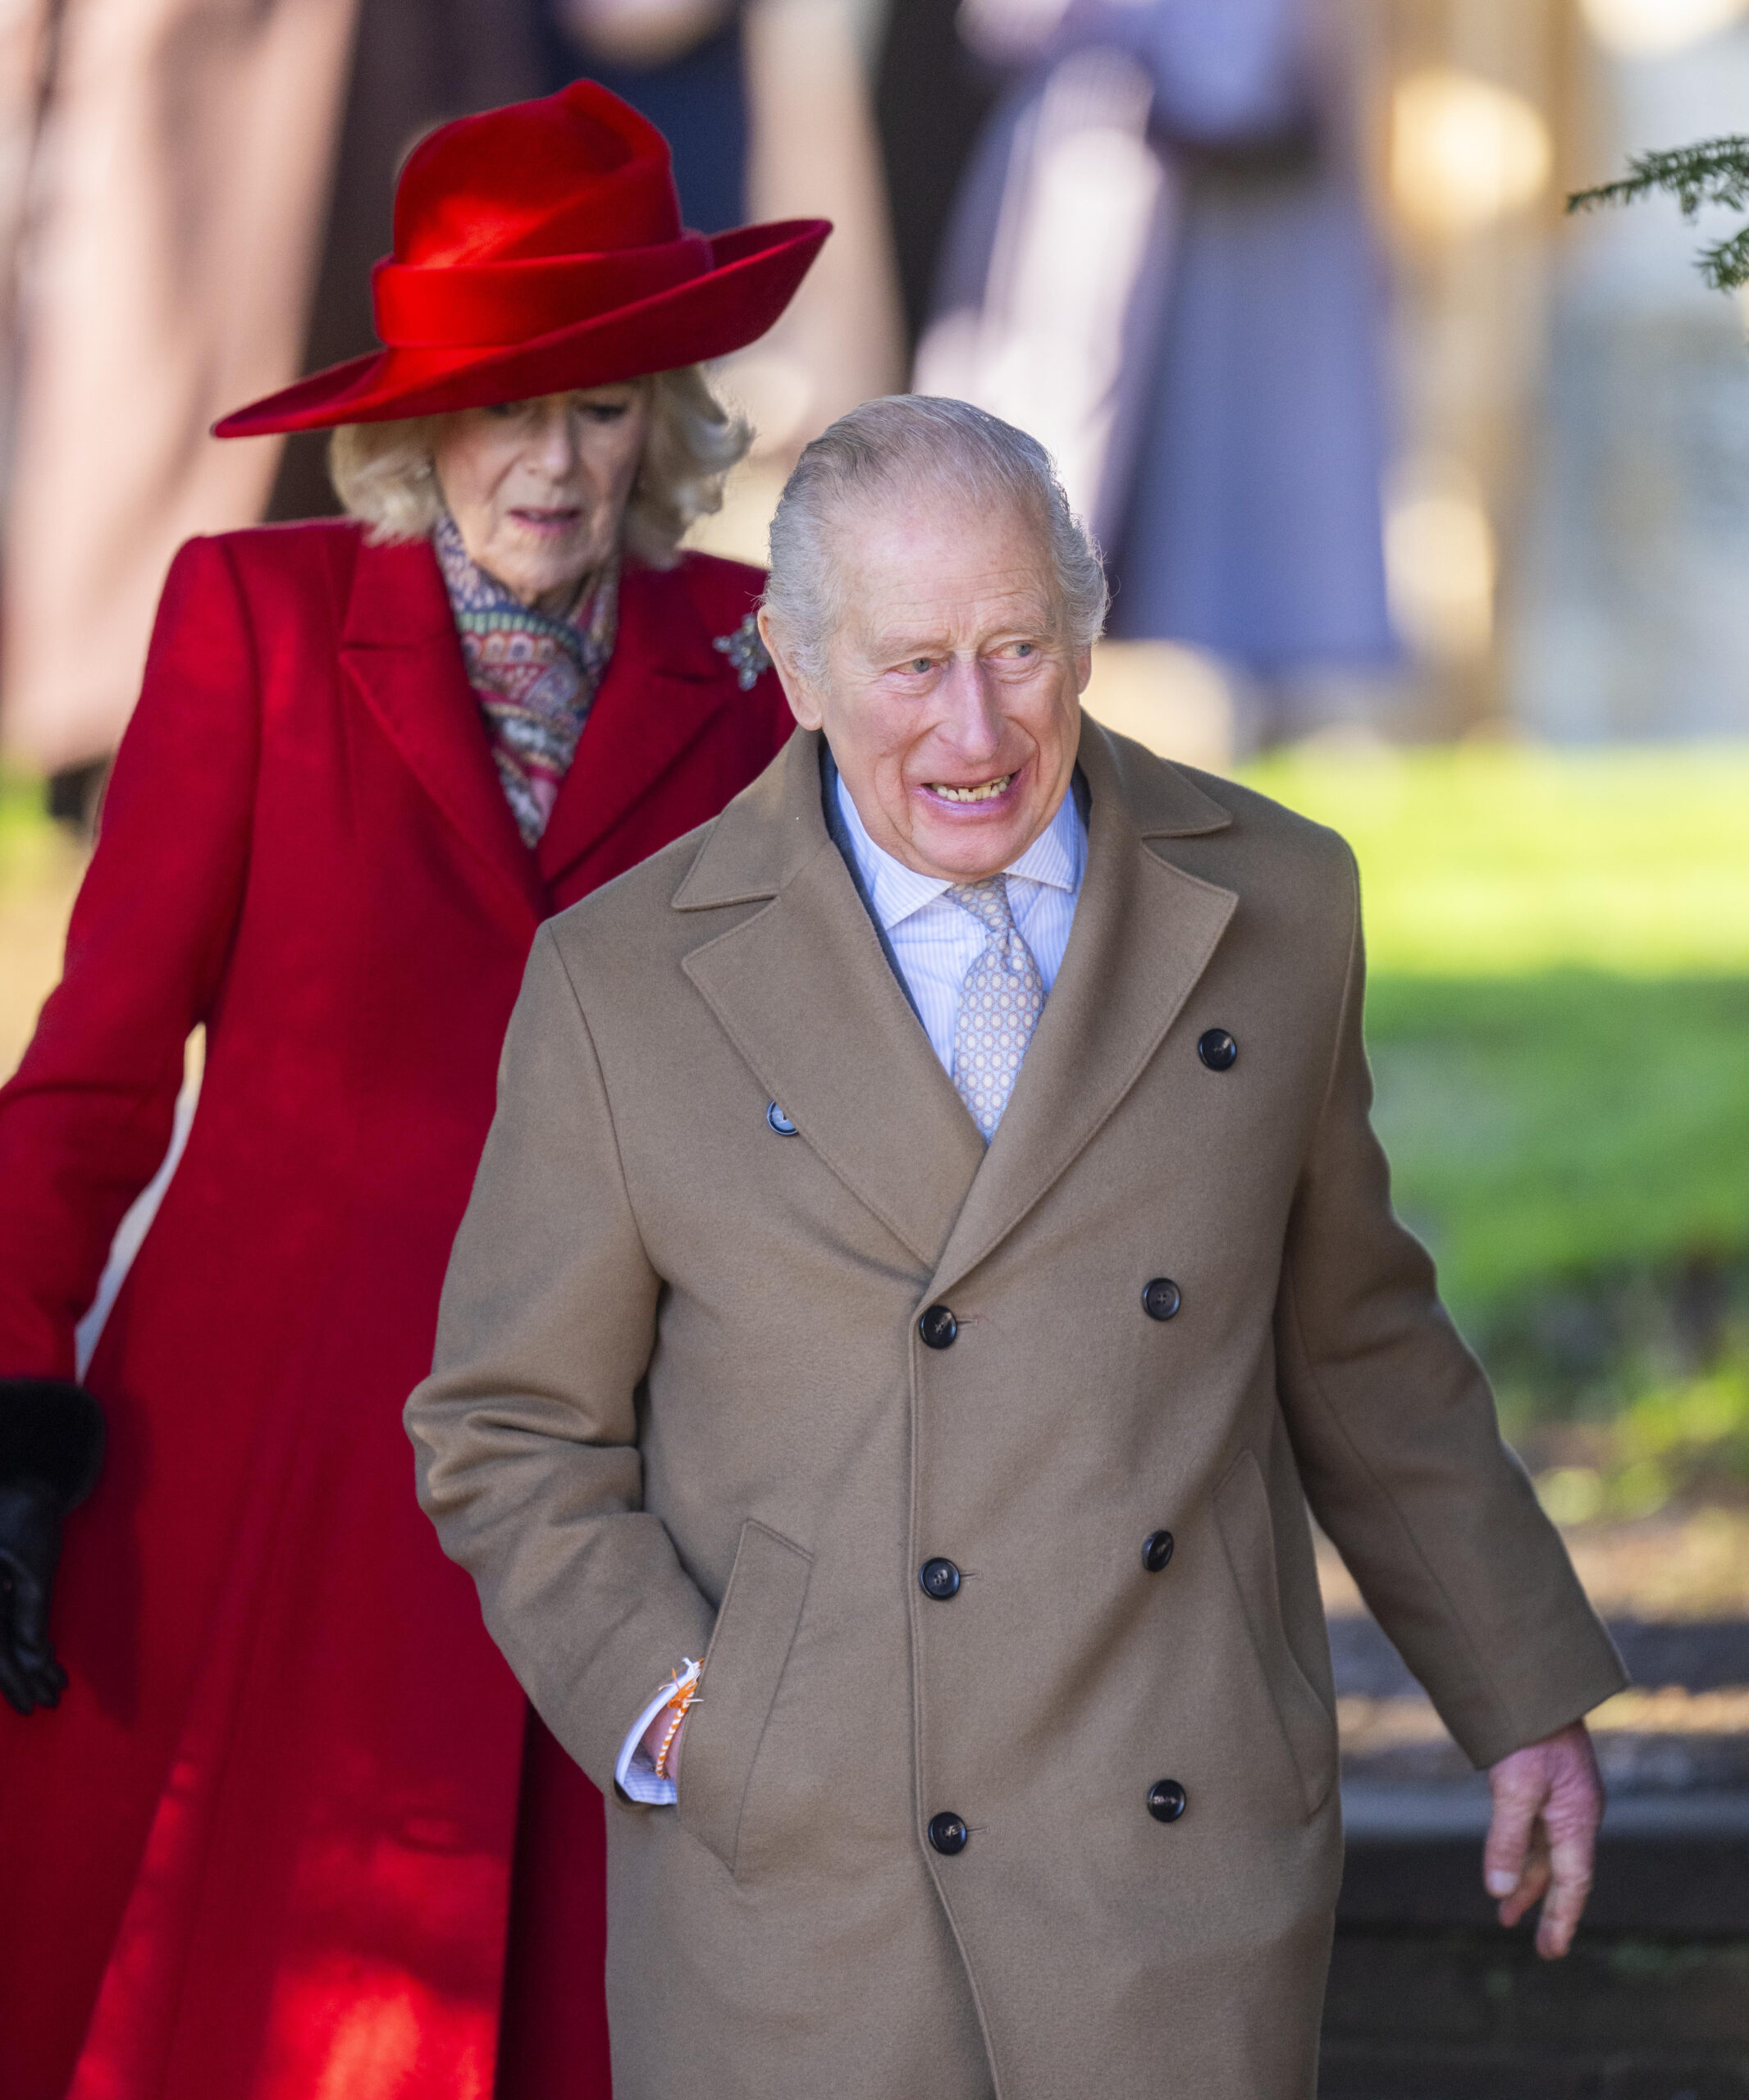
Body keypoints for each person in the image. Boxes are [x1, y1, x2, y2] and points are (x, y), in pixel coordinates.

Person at [407, 395, 1626, 2099]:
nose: (974, 727)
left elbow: (1358, 1344)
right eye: (912, 665)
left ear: (1086, 631)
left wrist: (1523, 1695)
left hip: (1173, 1862)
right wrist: (687, 1709)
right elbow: (508, 1426)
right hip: (806, 1896)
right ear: (797, 667)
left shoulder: (1276, 902)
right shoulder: (622, 983)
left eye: (1018, 649)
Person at [0, 80, 825, 2100]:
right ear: (416, 421)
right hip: (273, 1444)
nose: (552, 461)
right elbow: (92, 1078)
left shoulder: (756, 663)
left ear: (664, 424)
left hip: (616, 1458)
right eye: (502, 405)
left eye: (602, 405)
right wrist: (9, 1400)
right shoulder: (254, 626)